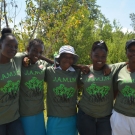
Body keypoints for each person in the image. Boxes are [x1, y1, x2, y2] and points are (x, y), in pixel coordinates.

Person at [77, 40, 125, 135]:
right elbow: (64, 64)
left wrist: (106, 65)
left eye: (103, 56)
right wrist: (79, 66)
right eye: (96, 55)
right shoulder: (85, 70)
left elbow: (129, 62)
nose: (100, 59)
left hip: (105, 118)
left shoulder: (112, 69)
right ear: (91, 55)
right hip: (86, 116)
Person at [45, 45, 80, 135]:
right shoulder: (50, 71)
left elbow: (93, 68)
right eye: (65, 56)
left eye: (70, 57)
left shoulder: (76, 72)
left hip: (71, 117)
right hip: (54, 117)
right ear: (59, 58)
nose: (68, 60)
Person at [19, 39, 49, 135]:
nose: (37, 54)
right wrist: (24, 56)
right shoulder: (20, 64)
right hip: (25, 113)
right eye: (35, 50)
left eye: (40, 52)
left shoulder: (43, 64)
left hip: (39, 112)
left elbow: (57, 65)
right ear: (28, 49)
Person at [0, 28, 25, 135]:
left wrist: (72, 66)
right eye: (9, 45)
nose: (13, 49)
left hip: (14, 118)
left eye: (15, 47)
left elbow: (34, 54)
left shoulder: (17, 59)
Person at [111, 39, 135, 135]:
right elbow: (115, 91)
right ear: (126, 52)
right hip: (120, 117)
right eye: (131, 50)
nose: (133, 53)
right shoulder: (119, 69)